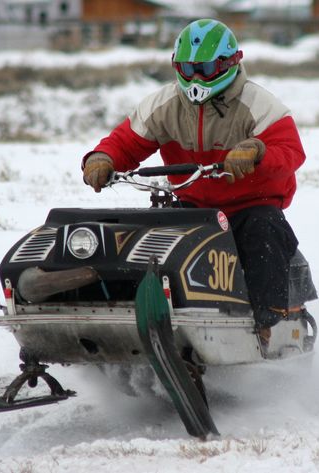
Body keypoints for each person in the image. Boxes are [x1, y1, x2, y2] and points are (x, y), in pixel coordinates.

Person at [81, 19, 305, 356]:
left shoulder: (260, 105)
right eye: (187, 68)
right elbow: (126, 141)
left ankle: (270, 322)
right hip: (193, 205)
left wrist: (256, 151)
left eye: (205, 68)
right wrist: (102, 158)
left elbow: (290, 152)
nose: (196, 77)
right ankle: (140, 315)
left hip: (249, 205)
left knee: (264, 230)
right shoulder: (164, 104)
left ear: (231, 63)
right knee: (151, 240)